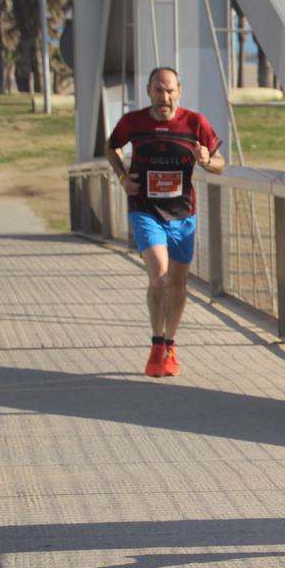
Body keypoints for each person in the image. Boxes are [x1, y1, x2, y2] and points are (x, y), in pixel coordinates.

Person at [104, 67, 225, 377]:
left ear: (179, 92)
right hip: (146, 211)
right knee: (159, 278)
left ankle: (170, 342)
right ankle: (157, 343)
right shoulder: (133, 122)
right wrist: (122, 177)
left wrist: (206, 160)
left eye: (170, 90)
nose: (164, 97)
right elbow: (111, 146)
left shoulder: (195, 123)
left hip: (183, 215)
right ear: (149, 92)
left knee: (178, 284)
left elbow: (220, 165)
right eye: (158, 90)